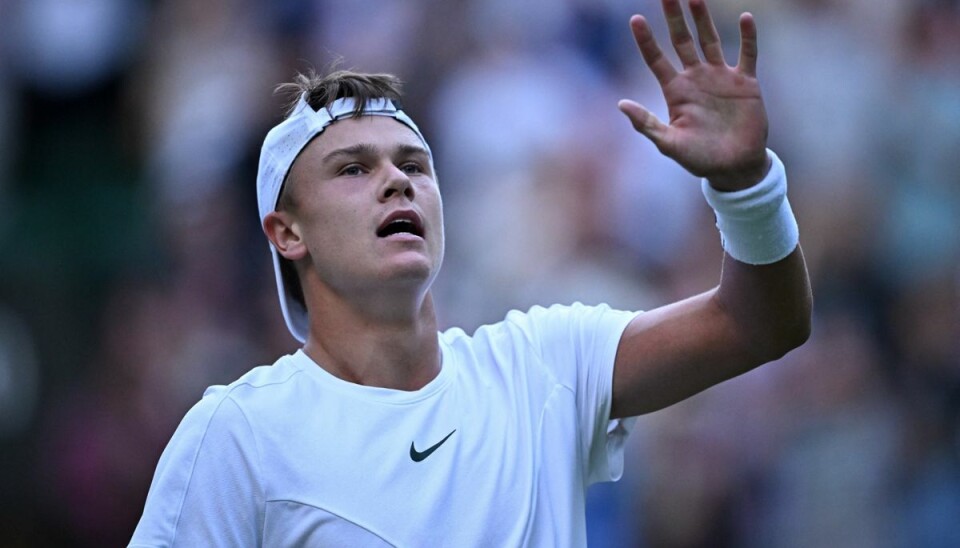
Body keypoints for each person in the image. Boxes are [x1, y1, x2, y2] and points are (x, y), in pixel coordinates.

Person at [129, 0, 812, 545]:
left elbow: (759, 324)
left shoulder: (541, 366)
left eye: (414, 165)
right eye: (353, 168)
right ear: (287, 233)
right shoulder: (236, 433)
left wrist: (746, 186)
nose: (397, 181)